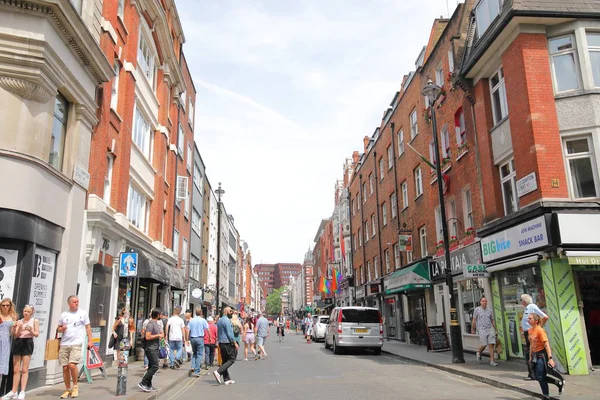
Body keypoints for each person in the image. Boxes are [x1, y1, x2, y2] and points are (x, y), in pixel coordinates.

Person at [57, 296, 93, 399]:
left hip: (76, 343)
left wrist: (90, 341)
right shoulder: (63, 315)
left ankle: (75, 386)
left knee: (72, 365)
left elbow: (88, 328)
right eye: (74, 302)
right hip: (64, 343)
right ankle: (67, 389)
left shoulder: (83, 313)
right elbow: (58, 329)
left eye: (78, 301)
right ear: (69, 303)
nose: (77, 303)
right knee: (65, 367)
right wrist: (62, 328)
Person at [4, 305, 39, 400]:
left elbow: (37, 334)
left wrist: (30, 330)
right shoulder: (19, 321)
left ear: (31, 313)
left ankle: (22, 391)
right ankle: (14, 391)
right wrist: (18, 328)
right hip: (18, 342)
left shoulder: (34, 321)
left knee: (24, 369)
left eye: (28, 311)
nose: (26, 313)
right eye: (25, 311)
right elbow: (15, 336)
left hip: (28, 342)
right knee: (16, 369)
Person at [529, 313, 565, 399]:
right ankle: (557, 383)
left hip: (542, 355)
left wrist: (550, 358)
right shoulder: (530, 330)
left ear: (535, 321)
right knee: (537, 376)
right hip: (535, 355)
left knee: (540, 376)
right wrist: (530, 356)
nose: (528, 320)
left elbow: (546, 345)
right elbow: (531, 344)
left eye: (530, 318)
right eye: (528, 318)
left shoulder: (540, 330)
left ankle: (546, 395)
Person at [521, 294, 548, 380]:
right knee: (530, 352)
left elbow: (545, 317)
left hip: (531, 333)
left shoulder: (532, 306)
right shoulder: (527, 308)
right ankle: (534, 373)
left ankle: (533, 374)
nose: (521, 302)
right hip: (528, 332)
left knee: (530, 353)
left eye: (521, 300)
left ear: (524, 301)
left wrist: (539, 327)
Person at [138, 308, 163, 392]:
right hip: (151, 348)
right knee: (155, 366)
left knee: (152, 366)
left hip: (154, 347)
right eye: (161, 314)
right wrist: (158, 335)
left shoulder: (155, 323)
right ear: (158, 315)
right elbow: (147, 337)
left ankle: (148, 385)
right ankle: (143, 382)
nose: (162, 315)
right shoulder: (151, 324)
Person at [213, 307, 238, 385]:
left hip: (221, 343)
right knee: (232, 359)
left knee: (224, 361)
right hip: (227, 342)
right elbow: (230, 333)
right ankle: (218, 372)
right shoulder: (227, 321)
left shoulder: (220, 320)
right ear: (227, 312)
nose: (232, 313)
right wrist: (234, 343)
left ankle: (226, 379)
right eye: (231, 311)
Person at [471, 296, 498, 366]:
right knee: (484, 344)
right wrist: (473, 329)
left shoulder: (490, 310)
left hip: (490, 328)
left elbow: (492, 320)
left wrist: (495, 329)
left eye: (485, 301)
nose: (484, 302)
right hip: (481, 329)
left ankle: (492, 361)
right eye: (483, 301)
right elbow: (474, 320)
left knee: (491, 344)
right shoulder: (477, 310)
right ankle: (479, 353)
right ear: (480, 302)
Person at [0, 298, 18, 396]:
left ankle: (2, 392)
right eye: (3, 305)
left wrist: (14, 328)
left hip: (6, 343)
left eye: (7, 305)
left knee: (3, 367)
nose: (5, 307)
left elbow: (13, 334)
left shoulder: (12, 317)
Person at [187, 307, 209, 377]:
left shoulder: (191, 321)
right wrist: (209, 337)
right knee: (199, 355)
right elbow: (207, 329)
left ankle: (193, 366)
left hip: (192, 338)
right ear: (201, 313)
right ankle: (197, 371)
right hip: (200, 338)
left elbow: (188, 330)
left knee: (194, 353)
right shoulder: (203, 320)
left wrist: (187, 339)